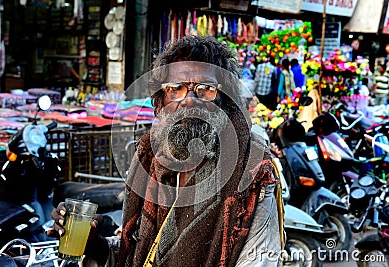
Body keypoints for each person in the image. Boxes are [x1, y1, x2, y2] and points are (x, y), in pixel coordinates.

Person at [47, 36, 284, 266]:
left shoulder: (252, 170)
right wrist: (94, 244)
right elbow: (139, 252)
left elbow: (258, 259)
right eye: (176, 88)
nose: (189, 99)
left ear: (225, 99)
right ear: (162, 100)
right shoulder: (153, 158)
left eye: (205, 88)